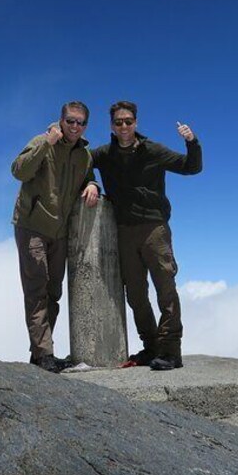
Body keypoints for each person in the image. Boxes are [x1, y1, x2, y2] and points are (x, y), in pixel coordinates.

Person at [91, 101, 202, 371]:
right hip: (124, 230)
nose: (124, 126)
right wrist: (91, 182)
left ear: (136, 123)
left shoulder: (153, 150)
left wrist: (192, 141)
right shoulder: (105, 154)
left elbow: (191, 167)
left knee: (165, 288)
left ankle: (171, 351)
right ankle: (152, 346)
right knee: (136, 295)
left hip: (154, 229)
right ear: (111, 126)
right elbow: (79, 161)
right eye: (119, 122)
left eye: (129, 121)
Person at [11, 101, 100, 373]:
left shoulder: (83, 154)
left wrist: (93, 184)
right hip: (33, 226)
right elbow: (19, 171)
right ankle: (44, 354)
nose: (75, 127)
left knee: (53, 293)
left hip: (59, 232)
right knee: (37, 290)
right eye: (70, 121)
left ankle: (39, 354)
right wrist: (45, 144)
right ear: (61, 120)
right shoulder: (43, 141)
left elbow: (87, 175)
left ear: (86, 126)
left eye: (80, 123)